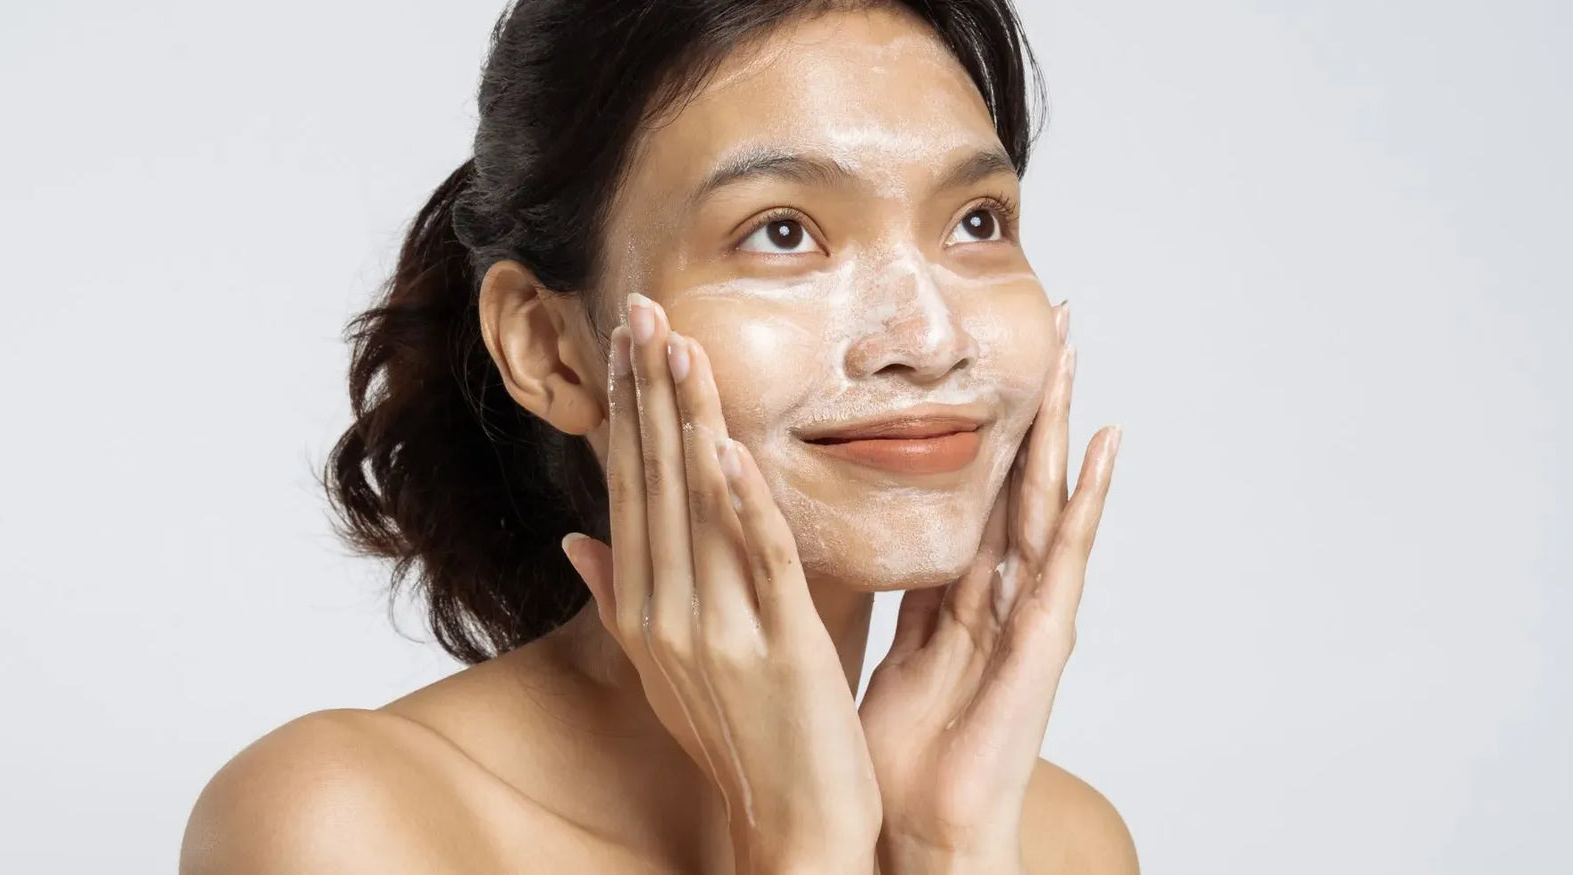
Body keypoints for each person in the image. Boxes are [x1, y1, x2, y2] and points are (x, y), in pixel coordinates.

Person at [180, 1, 1135, 871]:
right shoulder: (348, 825)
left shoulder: (1056, 842)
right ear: (549, 347)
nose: (930, 339)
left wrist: (945, 848)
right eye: (782, 233)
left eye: (976, 221)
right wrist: (803, 849)